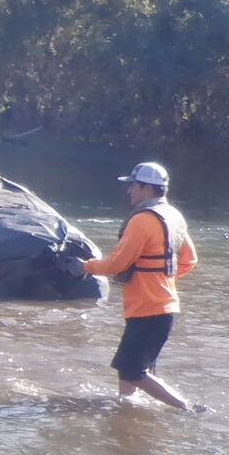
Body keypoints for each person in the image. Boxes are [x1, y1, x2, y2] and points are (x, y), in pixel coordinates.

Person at [73, 160, 199, 409]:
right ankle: (128, 409)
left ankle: (186, 408)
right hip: (163, 306)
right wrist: (159, 282)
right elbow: (189, 260)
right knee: (129, 371)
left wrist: (84, 266)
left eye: (133, 186)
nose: (129, 191)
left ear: (147, 189)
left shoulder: (142, 220)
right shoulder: (173, 216)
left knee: (132, 371)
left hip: (148, 309)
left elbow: (116, 265)